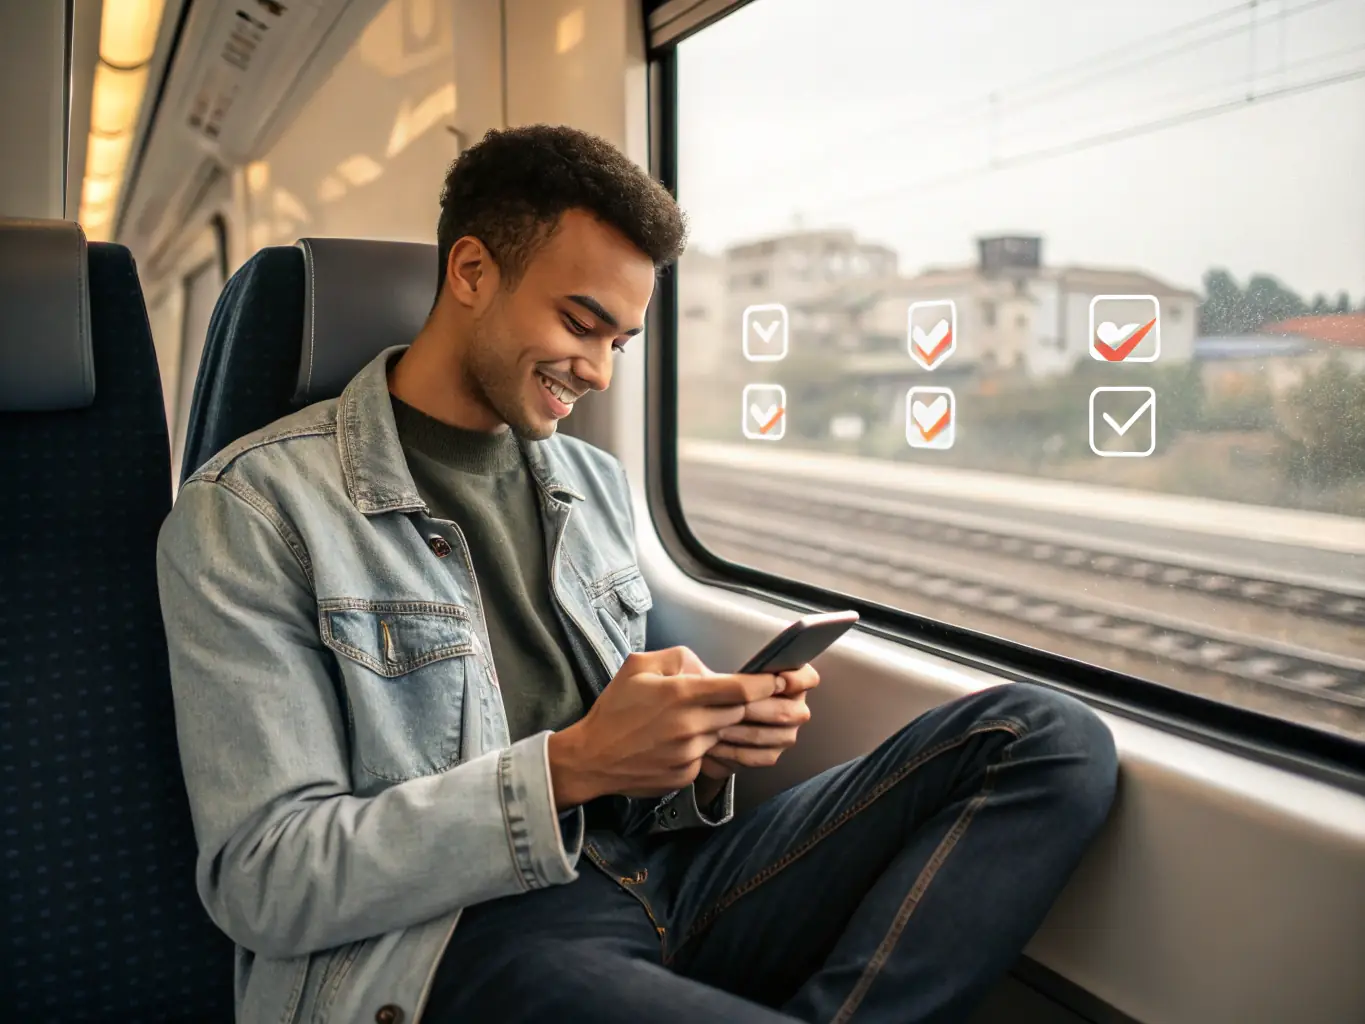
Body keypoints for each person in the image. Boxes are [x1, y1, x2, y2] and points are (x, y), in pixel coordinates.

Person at [156, 124, 1118, 1024]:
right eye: (581, 324)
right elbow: (265, 882)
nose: (601, 373)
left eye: (619, 341)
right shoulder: (253, 510)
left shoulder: (593, 483)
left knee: (1044, 738)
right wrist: (572, 765)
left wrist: (696, 750)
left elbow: (629, 755)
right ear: (472, 272)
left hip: (661, 875)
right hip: (454, 933)